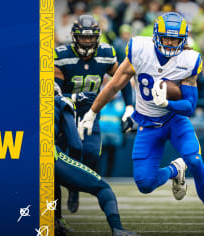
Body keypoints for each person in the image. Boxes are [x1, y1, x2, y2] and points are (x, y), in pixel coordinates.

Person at [78, 12, 204, 235]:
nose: (169, 42)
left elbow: (190, 106)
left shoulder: (189, 60)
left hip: (174, 120)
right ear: (156, 35)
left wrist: (167, 102)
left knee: (195, 160)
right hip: (148, 123)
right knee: (145, 184)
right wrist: (92, 112)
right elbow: (114, 86)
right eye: (166, 38)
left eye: (175, 39)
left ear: (183, 39)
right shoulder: (140, 49)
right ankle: (175, 169)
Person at [54, 15, 134, 213]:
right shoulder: (61, 55)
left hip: (91, 112)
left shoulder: (107, 52)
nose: (88, 41)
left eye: (91, 38)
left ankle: (74, 188)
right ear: (74, 37)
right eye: (84, 37)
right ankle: (63, 202)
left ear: (97, 37)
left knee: (91, 155)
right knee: (65, 156)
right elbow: (52, 92)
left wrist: (129, 106)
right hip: (64, 113)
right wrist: (74, 97)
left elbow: (121, 79)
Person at [53, 87, 137, 236]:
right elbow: (76, 145)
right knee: (102, 188)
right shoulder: (61, 101)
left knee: (52, 183)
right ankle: (117, 229)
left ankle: (56, 220)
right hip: (48, 154)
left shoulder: (24, 104)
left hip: (17, 156)